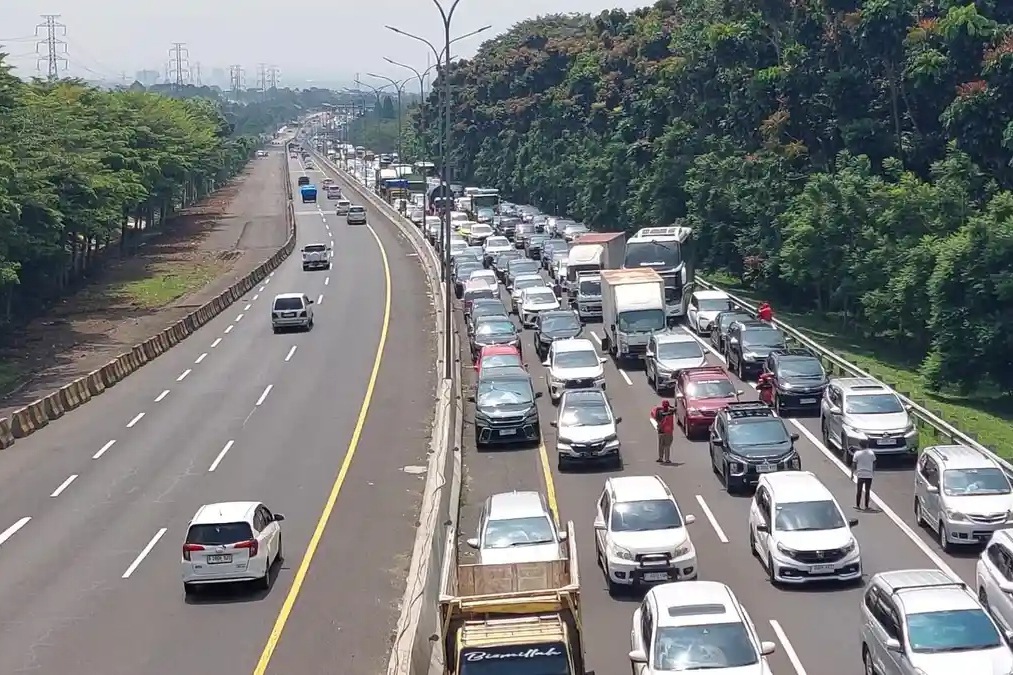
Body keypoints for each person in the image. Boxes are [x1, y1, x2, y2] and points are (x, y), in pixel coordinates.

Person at [851, 444, 876, 510]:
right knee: (867, 491)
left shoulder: (857, 453)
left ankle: (858, 505)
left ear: (860, 445)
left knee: (859, 490)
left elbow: (854, 464)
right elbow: (874, 463)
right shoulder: (871, 453)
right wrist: (873, 472)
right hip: (869, 475)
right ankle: (866, 506)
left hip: (860, 474)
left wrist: (852, 473)